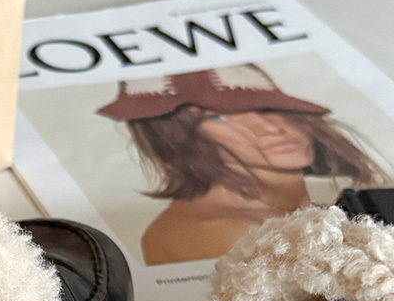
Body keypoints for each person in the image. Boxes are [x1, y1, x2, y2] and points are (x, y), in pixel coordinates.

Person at [98, 64, 383, 265]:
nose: (270, 128)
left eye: (268, 107)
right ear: (175, 138)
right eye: (217, 117)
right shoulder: (223, 231)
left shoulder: (321, 207)